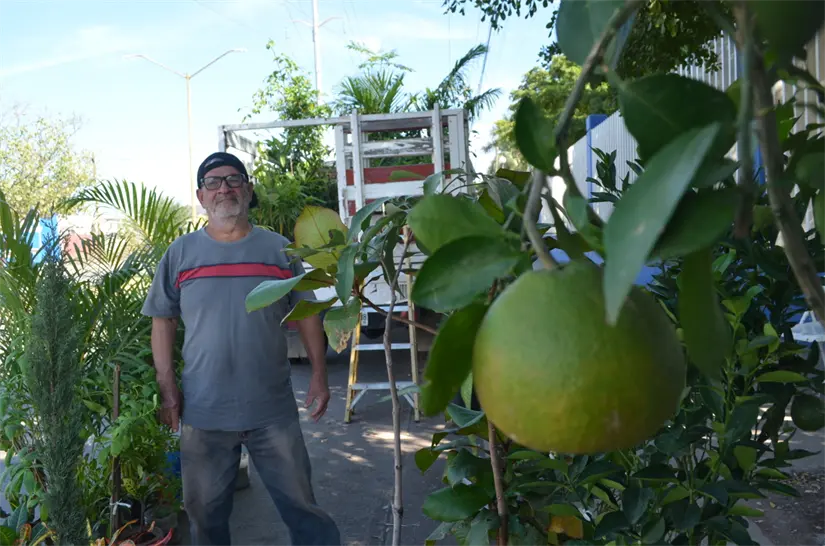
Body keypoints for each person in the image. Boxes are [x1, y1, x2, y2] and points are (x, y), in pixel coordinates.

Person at [141, 151, 341, 546]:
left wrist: (319, 375)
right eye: (213, 182)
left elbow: (307, 315)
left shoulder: (280, 251)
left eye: (233, 180)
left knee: (304, 510)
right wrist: (167, 388)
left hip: (271, 409)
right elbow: (162, 320)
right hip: (204, 412)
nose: (224, 189)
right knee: (204, 517)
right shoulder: (180, 253)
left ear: (248, 190)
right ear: (201, 196)